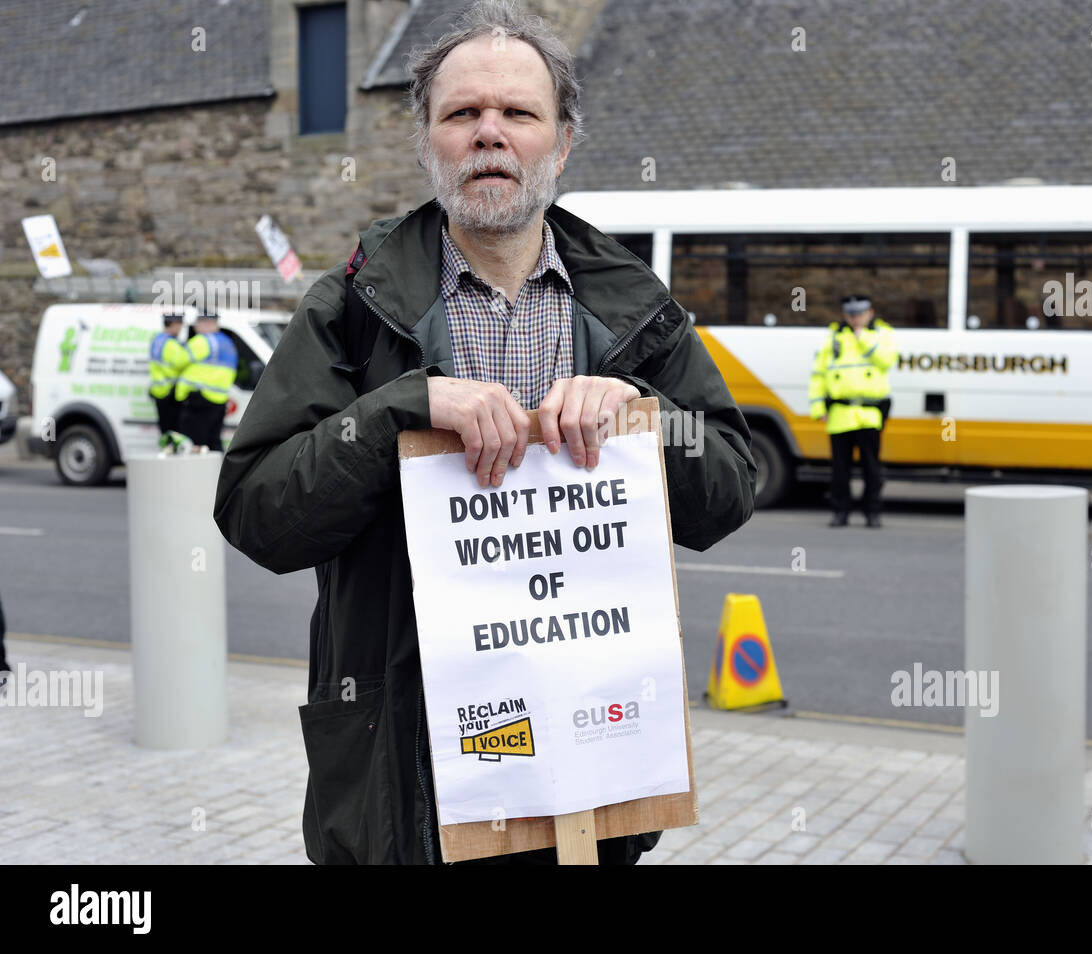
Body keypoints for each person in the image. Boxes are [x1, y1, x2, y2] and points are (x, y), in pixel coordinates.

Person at [213, 0, 755, 867]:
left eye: (518, 114)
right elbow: (257, 514)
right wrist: (397, 409)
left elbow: (730, 489)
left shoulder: (634, 309)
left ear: (563, 143)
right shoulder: (350, 305)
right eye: (462, 114)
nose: (488, 134)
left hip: (585, 775)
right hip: (407, 786)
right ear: (428, 141)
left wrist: (639, 417)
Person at [809, 294, 897, 528]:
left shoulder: (882, 334)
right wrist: (818, 407)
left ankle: (872, 513)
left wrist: (863, 338)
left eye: (859, 314)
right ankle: (840, 512)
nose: (855, 319)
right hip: (840, 413)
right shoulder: (834, 336)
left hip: (869, 413)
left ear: (870, 313)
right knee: (840, 470)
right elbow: (819, 373)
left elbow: (887, 360)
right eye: (850, 315)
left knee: (872, 468)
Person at [175, 312, 238, 451]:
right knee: (213, 442)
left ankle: (195, 473)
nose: (196, 327)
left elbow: (177, 362)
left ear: (207, 323)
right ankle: (216, 472)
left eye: (198, 323)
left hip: (199, 399)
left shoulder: (202, 341)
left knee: (193, 445)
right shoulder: (227, 343)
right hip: (219, 399)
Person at [148, 313, 188, 448]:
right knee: (174, 433)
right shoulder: (172, 345)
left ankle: (166, 453)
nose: (180, 329)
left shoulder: (156, 340)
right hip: (170, 394)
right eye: (180, 326)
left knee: (165, 431)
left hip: (158, 391)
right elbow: (183, 365)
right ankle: (171, 458)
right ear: (175, 324)